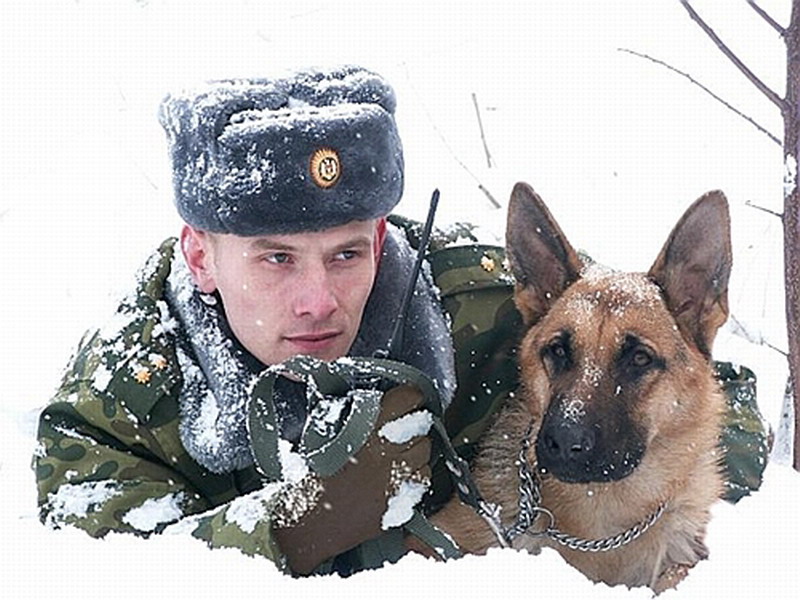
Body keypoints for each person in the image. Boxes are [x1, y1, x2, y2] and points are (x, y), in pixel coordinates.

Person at [34, 65, 770, 577]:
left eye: (348, 252)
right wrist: (297, 524)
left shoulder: (473, 296)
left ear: (384, 236)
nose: (319, 298)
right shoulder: (116, 408)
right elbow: (100, 576)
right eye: (276, 260)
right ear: (200, 256)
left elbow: (706, 371)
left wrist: (663, 523)